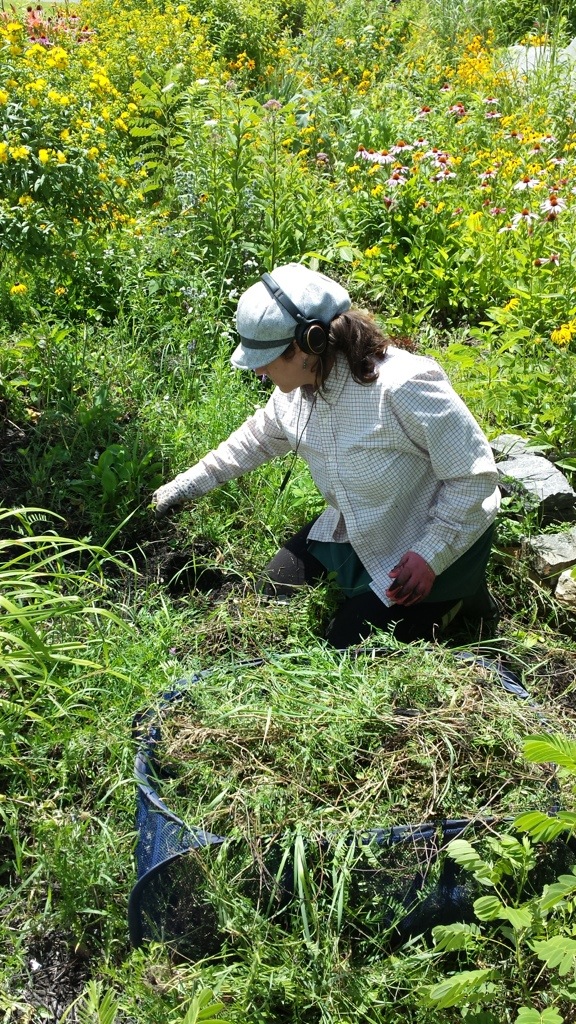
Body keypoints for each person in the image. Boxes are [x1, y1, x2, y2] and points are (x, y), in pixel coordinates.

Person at [153, 263, 501, 648]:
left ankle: (463, 602)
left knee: (346, 646)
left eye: (266, 359)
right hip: (360, 524)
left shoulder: (403, 387)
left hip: (428, 542)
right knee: (270, 592)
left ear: (308, 345)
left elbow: (475, 478)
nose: (258, 372)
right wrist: (184, 485)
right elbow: (254, 441)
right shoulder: (294, 393)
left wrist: (431, 554)